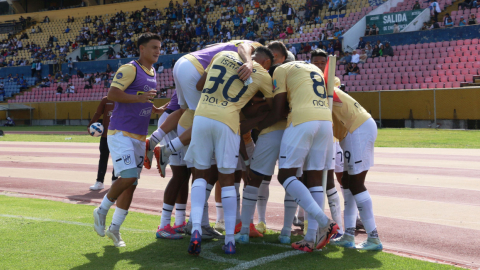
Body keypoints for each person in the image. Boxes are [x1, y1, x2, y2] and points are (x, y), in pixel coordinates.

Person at [185, 47, 274, 255]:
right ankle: (230, 240)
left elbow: (199, 85)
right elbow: (271, 106)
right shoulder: (262, 74)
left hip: (202, 116)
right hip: (228, 121)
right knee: (226, 179)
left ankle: (196, 228)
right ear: (267, 62)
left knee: (200, 175)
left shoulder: (222, 54)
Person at [254, 59, 339, 253]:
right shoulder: (311, 67)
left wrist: (256, 125)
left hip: (302, 118)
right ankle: (311, 238)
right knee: (315, 179)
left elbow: (278, 110)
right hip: (325, 120)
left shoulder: (280, 71)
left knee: (285, 175)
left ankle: (325, 222)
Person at [92, 33, 166, 248]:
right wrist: (139, 98)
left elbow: (142, 97)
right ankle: (101, 210)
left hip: (138, 135)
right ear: (141, 48)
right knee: (128, 176)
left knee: (131, 184)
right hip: (120, 132)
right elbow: (113, 94)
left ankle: (115, 229)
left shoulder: (152, 71)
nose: (157, 51)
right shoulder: (130, 68)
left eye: (159, 48)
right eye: (153, 47)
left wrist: (153, 108)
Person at [329, 86, 383, 251]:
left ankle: (374, 238)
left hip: (356, 129)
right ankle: (349, 236)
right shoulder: (322, 85)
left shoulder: (323, 85)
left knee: (356, 183)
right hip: (352, 130)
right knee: (347, 181)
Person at [88, 97, 118, 191]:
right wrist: (90, 125)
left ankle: (115, 181)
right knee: (103, 158)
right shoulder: (106, 100)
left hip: (119, 135)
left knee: (117, 159)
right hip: (105, 135)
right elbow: (98, 113)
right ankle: (99, 182)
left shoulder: (124, 98)